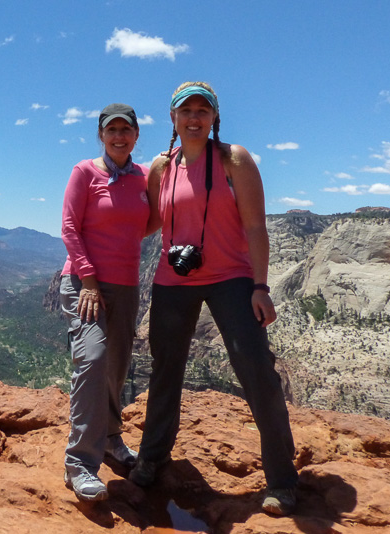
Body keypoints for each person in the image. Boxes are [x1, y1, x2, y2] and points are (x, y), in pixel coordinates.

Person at [128, 82, 299, 516]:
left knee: (257, 373)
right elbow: (150, 222)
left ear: (214, 118)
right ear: (172, 118)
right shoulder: (160, 167)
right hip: (173, 279)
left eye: (203, 111)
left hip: (231, 279)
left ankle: (282, 479)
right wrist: (103, 232)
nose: (194, 117)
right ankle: (152, 458)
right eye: (186, 110)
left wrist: (260, 287)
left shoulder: (233, 159)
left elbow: (256, 227)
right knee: (165, 372)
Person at [60, 103, 160, 501]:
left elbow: (150, 222)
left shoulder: (143, 176)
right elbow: (69, 226)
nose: (119, 136)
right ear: (101, 135)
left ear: (136, 135)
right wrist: (87, 280)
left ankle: (111, 437)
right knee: (94, 358)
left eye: (126, 130)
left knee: (117, 365)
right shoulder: (85, 172)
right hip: (85, 284)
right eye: (111, 130)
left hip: (126, 285)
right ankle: (80, 463)